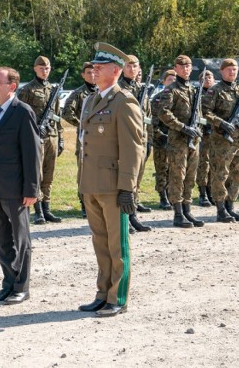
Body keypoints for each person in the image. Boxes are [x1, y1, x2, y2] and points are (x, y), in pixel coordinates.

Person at [77, 42, 143, 317]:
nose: (94, 70)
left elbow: (134, 148)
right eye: (93, 66)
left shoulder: (124, 101)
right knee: (100, 243)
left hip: (114, 187)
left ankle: (119, 297)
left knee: (118, 246)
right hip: (92, 184)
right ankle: (103, 293)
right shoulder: (92, 99)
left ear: (115, 71)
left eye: (99, 67)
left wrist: (128, 188)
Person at [0, 66, 40, 305]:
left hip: (16, 189)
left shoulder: (22, 112)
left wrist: (31, 189)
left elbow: (32, 152)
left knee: (20, 239)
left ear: (12, 86)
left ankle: (22, 287)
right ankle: (8, 283)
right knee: (1, 240)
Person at [157, 55, 204, 228]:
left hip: (194, 139)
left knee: (191, 176)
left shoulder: (193, 89)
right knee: (178, 176)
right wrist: (182, 127)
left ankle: (187, 210)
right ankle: (178, 213)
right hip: (178, 140)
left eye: (188, 66)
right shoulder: (171, 90)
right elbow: (163, 113)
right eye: (182, 66)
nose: (186, 69)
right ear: (176, 69)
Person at [201, 59, 239, 223]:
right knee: (220, 175)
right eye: (229, 69)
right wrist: (222, 123)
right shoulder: (215, 91)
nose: (232, 72)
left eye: (235, 69)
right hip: (222, 141)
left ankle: (231, 207)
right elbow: (206, 112)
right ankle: (221, 209)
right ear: (221, 71)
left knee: (237, 176)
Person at [18, 56, 63, 224]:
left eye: (48, 68)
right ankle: (38, 212)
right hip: (35, 137)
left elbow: (57, 116)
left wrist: (61, 137)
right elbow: (21, 115)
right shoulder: (27, 90)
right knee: (37, 174)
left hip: (51, 135)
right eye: (42, 68)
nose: (46, 71)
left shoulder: (53, 89)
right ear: (35, 69)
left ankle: (47, 208)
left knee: (49, 174)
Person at [119, 55, 152, 232]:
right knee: (125, 179)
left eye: (135, 66)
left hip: (142, 139)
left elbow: (148, 116)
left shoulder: (142, 89)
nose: (132, 69)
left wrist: (150, 140)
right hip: (126, 140)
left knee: (137, 179)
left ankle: (133, 215)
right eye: (129, 66)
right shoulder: (118, 89)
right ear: (123, 68)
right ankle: (122, 218)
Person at [61, 61, 97, 219]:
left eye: (95, 72)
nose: (92, 75)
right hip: (84, 139)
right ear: (83, 75)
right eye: (89, 73)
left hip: (101, 139)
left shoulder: (103, 92)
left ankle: (97, 204)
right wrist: (82, 124)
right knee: (84, 173)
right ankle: (84, 204)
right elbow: (67, 112)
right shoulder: (78, 93)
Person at [152, 70, 176, 210]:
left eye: (174, 79)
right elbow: (153, 123)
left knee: (174, 170)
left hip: (175, 139)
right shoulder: (157, 99)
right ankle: (163, 196)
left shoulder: (177, 97)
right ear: (164, 82)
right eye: (169, 80)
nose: (172, 82)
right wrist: (160, 135)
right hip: (161, 139)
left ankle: (172, 194)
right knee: (162, 169)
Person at [196, 70, 216, 207]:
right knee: (204, 164)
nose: (207, 79)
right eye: (204, 77)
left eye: (210, 76)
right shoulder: (197, 95)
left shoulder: (217, 93)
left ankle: (211, 191)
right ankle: (203, 193)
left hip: (217, 134)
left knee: (215, 164)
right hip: (203, 133)